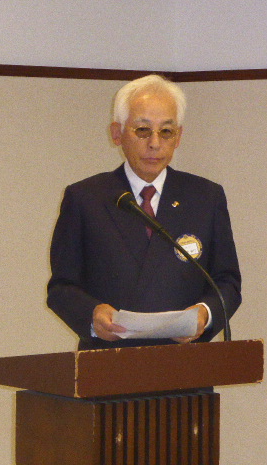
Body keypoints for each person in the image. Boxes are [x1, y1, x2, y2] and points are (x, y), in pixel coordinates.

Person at [47, 74, 241, 350]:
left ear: (178, 137)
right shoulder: (86, 198)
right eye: (142, 130)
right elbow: (62, 288)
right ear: (117, 133)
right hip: (109, 362)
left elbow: (227, 282)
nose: (154, 143)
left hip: (186, 362)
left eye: (166, 131)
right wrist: (93, 314)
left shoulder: (205, 197)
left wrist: (205, 314)